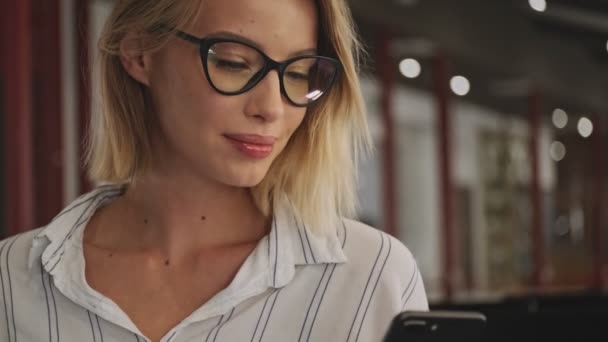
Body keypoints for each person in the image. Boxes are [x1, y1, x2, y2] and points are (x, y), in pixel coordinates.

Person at [0, 0, 428, 341]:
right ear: (139, 53)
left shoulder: (371, 276)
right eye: (234, 63)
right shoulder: (10, 281)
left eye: (298, 75)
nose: (271, 108)